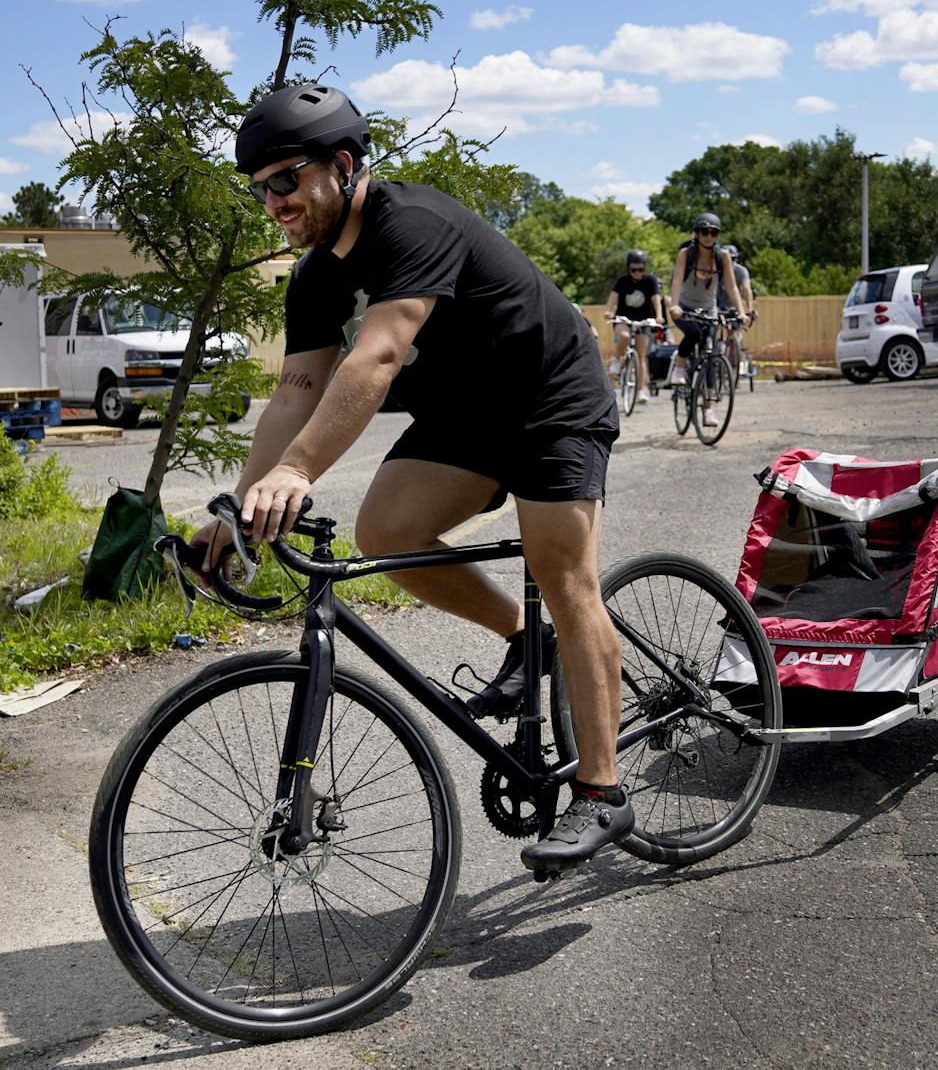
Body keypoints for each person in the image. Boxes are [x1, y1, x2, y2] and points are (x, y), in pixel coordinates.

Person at [194, 83, 633, 872]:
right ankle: (522, 640)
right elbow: (294, 392)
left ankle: (602, 792)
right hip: (466, 417)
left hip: (548, 398)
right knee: (385, 532)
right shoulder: (314, 276)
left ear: (343, 164)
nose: (273, 201)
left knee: (563, 574)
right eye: (258, 187)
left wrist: (299, 471)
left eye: (286, 179)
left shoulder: (412, 224)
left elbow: (381, 353)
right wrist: (233, 510)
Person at [667, 212, 747, 425]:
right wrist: (674, 305)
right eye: (704, 232)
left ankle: (708, 409)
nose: (708, 236)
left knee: (710, 355)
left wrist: (741, 312)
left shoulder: (723, 257)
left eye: (713, 232)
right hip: (684, 308)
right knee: (692, 333)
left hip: (709, 310)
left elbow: (731, 287)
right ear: (697, 233)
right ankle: (680, 366)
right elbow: (676, 280)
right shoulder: (686, 253)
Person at [605, 249, 664, 401]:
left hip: (643, 321)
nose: (637, 273)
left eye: (641, 269)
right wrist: (608, 311)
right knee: (624, 336)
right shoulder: (622, 281)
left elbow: (656, 298)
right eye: (634, 270)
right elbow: (613, 297)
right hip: (624, 319)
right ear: (628, 268)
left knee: (642, 355)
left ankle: (641, 389)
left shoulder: (650, 280)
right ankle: (617, 361)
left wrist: (659, 315)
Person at [721, 244, 756, 378]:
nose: (730, 263)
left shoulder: (741, 271)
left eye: (733, 259)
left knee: (735, 333)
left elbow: (746, 289)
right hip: (718, 304)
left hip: (734, 306)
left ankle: (737, 359)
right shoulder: (717, 269)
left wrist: (750, 309)